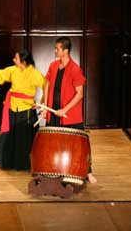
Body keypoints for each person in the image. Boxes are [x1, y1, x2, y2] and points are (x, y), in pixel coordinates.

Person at [41, 36, 97, 183]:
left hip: (70, 114)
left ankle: (88, 172)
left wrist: (65, 109)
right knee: (53, 143)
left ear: (65, 51)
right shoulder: (53, 66)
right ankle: (55, 171)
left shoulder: (75, 69)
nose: (55, 51)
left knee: (79, 144)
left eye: (57, 48)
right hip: (53, 112)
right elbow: (47, 86)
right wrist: (45, 107)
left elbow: (80, 94)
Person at [0, 49, 46, 171]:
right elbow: (0, 74)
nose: (14, 60)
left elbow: (47, 86)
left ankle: (27, 164)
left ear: (23, 61)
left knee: (25, 137)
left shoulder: (35, 74)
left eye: (16, 58)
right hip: (12, 106)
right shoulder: (13, 70)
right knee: (6, 134)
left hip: (27, 108)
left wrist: (41, 103)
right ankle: (0, 162)